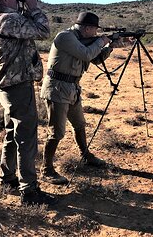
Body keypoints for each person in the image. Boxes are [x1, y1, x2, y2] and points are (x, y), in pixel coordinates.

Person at [0, 0, 56, 205]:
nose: (19, 1)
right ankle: (30, 191)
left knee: (12, 134)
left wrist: (25, 9)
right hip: (18, 86)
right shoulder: (6, 19)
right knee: (26, 137)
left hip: (9, 85)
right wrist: (34, 8)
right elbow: (43, 31)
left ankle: (7, 178)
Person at [40, 12, 113, 185]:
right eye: (94, 30)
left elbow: (95, 59)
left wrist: (111, 46)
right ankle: (47, 170)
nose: (96, 33)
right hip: (57, 88)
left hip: (72, 88)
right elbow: (87, 54)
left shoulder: (82, 40)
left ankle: (85, 155)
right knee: (56, 132)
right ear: (87, 28)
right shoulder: (65, 37)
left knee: (79, 124)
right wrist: (102, 41)